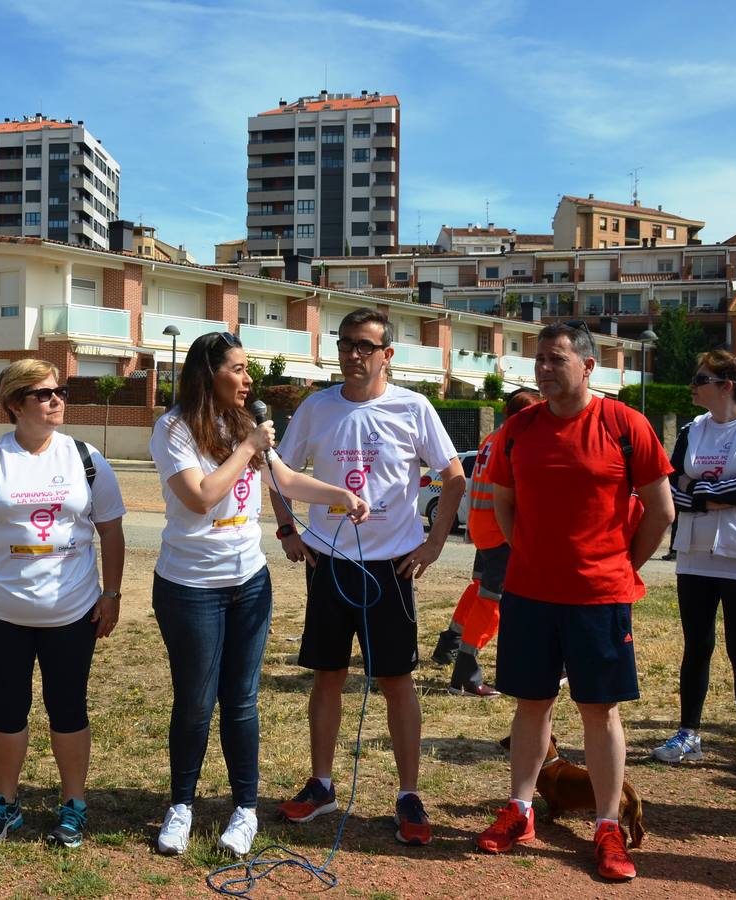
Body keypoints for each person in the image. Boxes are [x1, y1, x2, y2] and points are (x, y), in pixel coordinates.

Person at [150, 331, 370, 857]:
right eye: (239, 369)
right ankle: (182, 805)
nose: (250, 380)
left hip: (248, 583)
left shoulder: (242, 424)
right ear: (209, 373)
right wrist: (249, 446)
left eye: (249, 370)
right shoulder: (173, 429)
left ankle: (243, 809)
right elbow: (201, 497)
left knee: (242, 701)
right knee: (197, 702)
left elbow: (286, 481)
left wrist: (339, 493)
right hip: (189, 586)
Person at [476, 321, 673, 882]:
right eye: (538, 358)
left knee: (599, 710)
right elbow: (506, 505)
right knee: (530, 704)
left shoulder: (625, 425)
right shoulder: (519, 429)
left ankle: (608, 826)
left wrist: (619, 565)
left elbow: (661, 511)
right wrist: (531, 556)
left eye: (555, 358)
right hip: (530, 594)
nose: (543, 368)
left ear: (588, 367)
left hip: (599, 596)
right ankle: (520, 810)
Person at [271, 308, 465, 846]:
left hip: (391, 567)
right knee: (328, 675)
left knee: (396, 682)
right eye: (345, 343)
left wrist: (433, 542)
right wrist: (289, 530)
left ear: (387, 355)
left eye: (364, 345)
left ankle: (408, 794)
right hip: (330, 563)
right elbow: (278, 474)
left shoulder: (413, 406)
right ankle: (323, 784)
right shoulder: (316, 407)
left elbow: (454, 478)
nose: (353, 354)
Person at [0, 359, 126, 849]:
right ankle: (5, 803)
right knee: (7, 710)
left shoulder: (86, 458)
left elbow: (110, 529)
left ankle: (73, 804)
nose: (56, 401)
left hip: (73, 611)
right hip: (0, 612)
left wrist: (110, 594)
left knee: (68, 707)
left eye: (60, 391)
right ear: (14, 404)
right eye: (44, 393)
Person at [651, 350, 736, 781]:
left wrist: (697, 492)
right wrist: (704, 493)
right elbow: (671, 481)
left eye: (701, 378)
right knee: (697, 647)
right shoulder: (692, 429)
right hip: (695, 555)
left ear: (726, 386)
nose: (693, 383)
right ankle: (688, 734)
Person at [430, 388, 542, 697]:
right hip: (501, 531)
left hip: (481, 526)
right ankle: (465, 672)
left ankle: (450, 644)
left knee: (479, 591)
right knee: (493, 600)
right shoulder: (517, 440)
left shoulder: (492, 438)